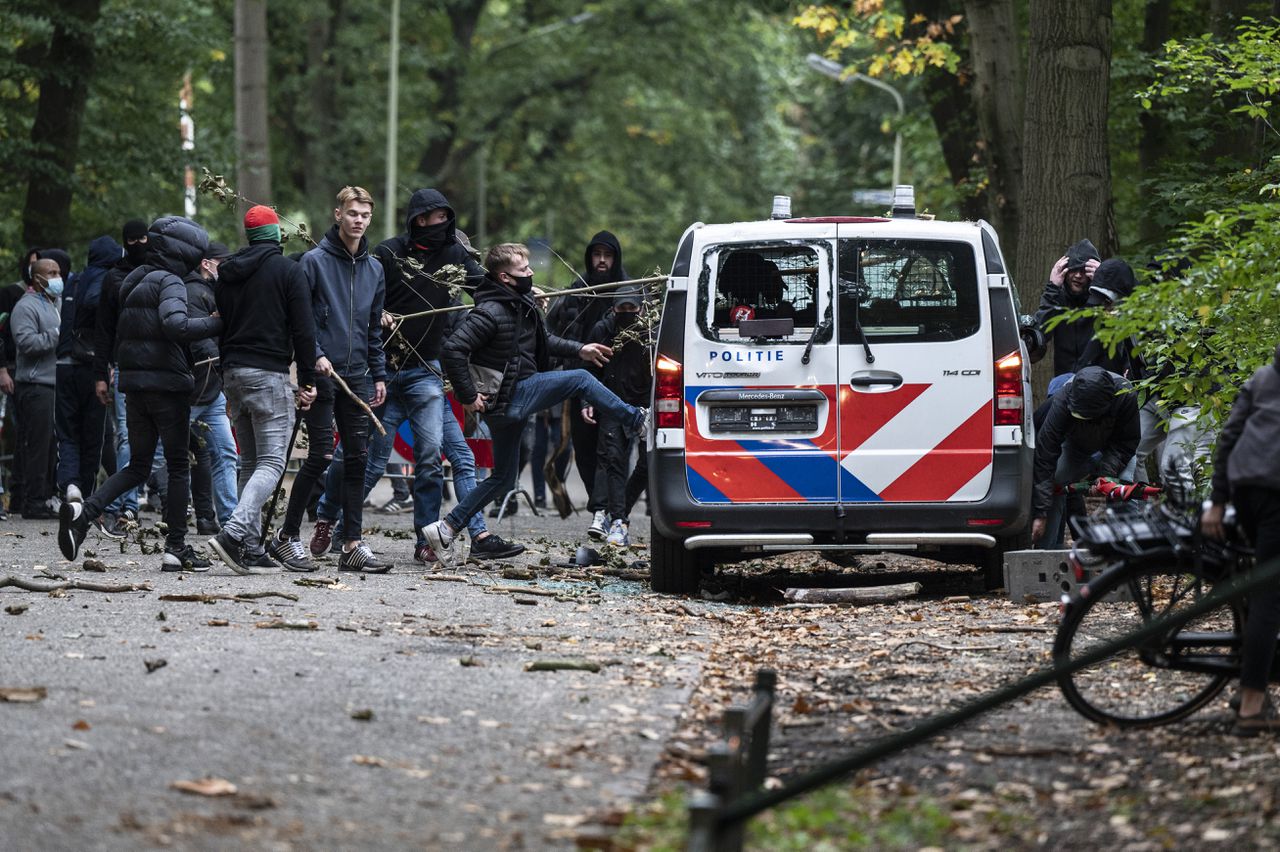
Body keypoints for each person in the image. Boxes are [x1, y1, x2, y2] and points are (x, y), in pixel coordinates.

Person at [309, 189, 522, 563]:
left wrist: (520, 293)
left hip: (426, 371)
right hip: (384, 371)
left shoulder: (455, 256)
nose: (440, 225)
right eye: (433, 218)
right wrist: (384, 314)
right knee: (360, 457)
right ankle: (329, 515)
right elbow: (365, 299)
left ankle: (426, 539)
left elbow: (483, 288)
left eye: (445, 218)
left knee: (428, 458)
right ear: (419, 220)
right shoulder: (389, 254)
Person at [423, 243, 648, 564]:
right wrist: (468, 395)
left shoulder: (519, 304)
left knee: (502, 478)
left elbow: (547, 342)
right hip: (512, 395)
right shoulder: (491, 311)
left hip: (507, 404)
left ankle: (446, 527)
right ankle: (637, 420)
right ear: (504, 277)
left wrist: (580, 349)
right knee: (581, 381)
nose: (531, 274)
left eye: (529, 267)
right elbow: (453, 350)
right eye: (523, 270)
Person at [59, 216, 222, 571]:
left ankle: (83, 515)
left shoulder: (132, 278)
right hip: (167, 388)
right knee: (179, 465)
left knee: (137, 465)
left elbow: (117, 332)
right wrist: (216, 321)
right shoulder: (171, 282)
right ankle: (176, 548)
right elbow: (175, 325)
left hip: (134, 387)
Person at [270, 186, 390, 573]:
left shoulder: (374, 268)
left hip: (357, 376)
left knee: (357, 458)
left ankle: (352, 543)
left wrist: (379, 373)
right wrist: (313, 358)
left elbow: (374, 328)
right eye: (352, 213)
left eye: (366, 215)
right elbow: (299, 323)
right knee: (320, 455)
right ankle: (287, 537)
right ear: (337, 214)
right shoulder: (313, 262)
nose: (359, 220)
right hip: (323, 372)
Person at [205, 207, 318, 573]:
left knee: (249, 462)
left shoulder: (226, 275)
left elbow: (222, 326)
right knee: (272, 462)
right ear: (276, 236)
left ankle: (250, 548)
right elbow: (304, 330)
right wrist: (308, 381)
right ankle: (233, 534)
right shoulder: (289, 271)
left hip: (233, 374)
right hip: (268, 374)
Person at [1202, 344, 1280, 734]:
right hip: (1275, 494)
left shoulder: (1263, 377)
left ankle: (1252, 681)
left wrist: (1217, 501)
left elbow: (1229, 437)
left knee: (1262, 587)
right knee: (1270, 595)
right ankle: (1251, 707)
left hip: (1245, 489)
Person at [547, 231, 628, 538]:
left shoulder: (629, 292)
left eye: (608, 255)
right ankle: (602, 508)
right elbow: (552, 333)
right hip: (579, 383)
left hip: (616, 387)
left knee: (612, 451)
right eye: (597, 255)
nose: (602, 261)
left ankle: (609, 512)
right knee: (584, 451)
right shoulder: (576, 292)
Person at [1030, 366, 1141, 548]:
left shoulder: (1125, 395)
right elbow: (1046, 454)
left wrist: (1105, 476)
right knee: (1054, 481)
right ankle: (1047, 553)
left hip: (1116, 450)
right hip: (1076, 447)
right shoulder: (1063, 399)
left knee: (1122, 489)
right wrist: (1040, 513)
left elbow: (1127, 442)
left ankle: (1128, 554)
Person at [92, 219, 151, 538]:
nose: (139, 244)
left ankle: (125, 503)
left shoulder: (158, 272)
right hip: (123, 366)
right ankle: (124, 506)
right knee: (126, 436)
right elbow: (104, 330)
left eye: (144, 238)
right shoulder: (113, 278)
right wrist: (101, 373)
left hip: (154, 366)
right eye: (133, 240)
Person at [55, 236, 120, 506]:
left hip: (64, 364)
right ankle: (86, 495)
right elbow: (95, 304)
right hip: (92, 368)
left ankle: (71, 486)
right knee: (93, 436)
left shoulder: (74, 280)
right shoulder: (107, 280)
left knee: (68, 433)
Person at [586, 287, 653, 546]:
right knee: (613, 459)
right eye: (621, 309)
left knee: (647, 465)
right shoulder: (603, 330)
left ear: (641, 309)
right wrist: (587, 400)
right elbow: (588, 370)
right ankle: (618, 521)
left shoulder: (651, 332)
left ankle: (618, 510)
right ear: (614, 308)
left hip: (646, 405)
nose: (627, 314)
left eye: (632, 309)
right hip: (612, 403)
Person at [183, 241, 239, 532]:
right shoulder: (193, 292)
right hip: (192, 392)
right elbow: (198, 337)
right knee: (157, 456)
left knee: (226, 452)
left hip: (211, 393)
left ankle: (230, 521)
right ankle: (118, 508)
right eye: (223, 262)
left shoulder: (216, 291)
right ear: (207, 263)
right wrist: (221, 363)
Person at [12, 256, 64, 518]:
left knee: (51, 446)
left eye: (58, 272)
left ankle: (44, 497)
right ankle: (32, 501)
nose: (57, 277)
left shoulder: (53, 304)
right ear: (37, 278)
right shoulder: (26, 307)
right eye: (51, 273)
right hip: (34, 386)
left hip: (53, 384)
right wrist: (58, 335)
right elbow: (26, 343)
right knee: (37, 446)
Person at [1023, 238, 1103, 378]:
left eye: (1083, 271)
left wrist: (1104, 282)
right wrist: (1052, 288)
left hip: (1098, 383)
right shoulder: (1057, 299)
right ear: (1065, 271)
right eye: (1073, 270)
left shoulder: (1103, 301)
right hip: (1063, 384)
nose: (1078, 276)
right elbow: (1040, 334)